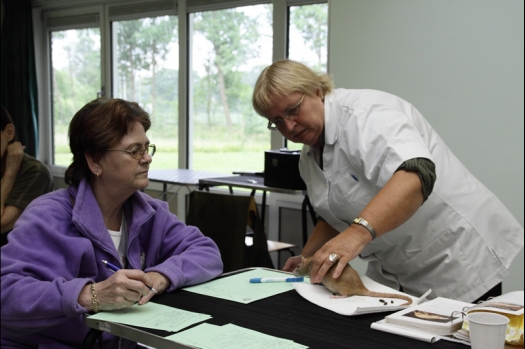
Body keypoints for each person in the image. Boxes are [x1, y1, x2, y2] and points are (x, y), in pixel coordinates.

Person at [252, 59, 523, 303]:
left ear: (316, 91)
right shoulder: (309, 157)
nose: (288, 127)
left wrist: (356, 236)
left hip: (456, 255)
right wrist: (309, 258)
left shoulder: (366, 115)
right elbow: (335, 214)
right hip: (400, 267)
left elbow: (417, 174)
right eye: (276, 121)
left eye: (293, 110)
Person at [0, 98, 223, 348]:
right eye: (134, 151)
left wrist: (162, 275)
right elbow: (6, 294)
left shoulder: (149, 211)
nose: (147, 159)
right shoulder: (48, 215)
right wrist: (90, 295)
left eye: (148, 148)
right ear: (95, 161)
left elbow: (207, 252)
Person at [1, 105, 53, 245]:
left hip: (16, 257)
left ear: (9, 132)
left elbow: (2, 224)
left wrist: (10, 173)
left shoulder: (35, 172)